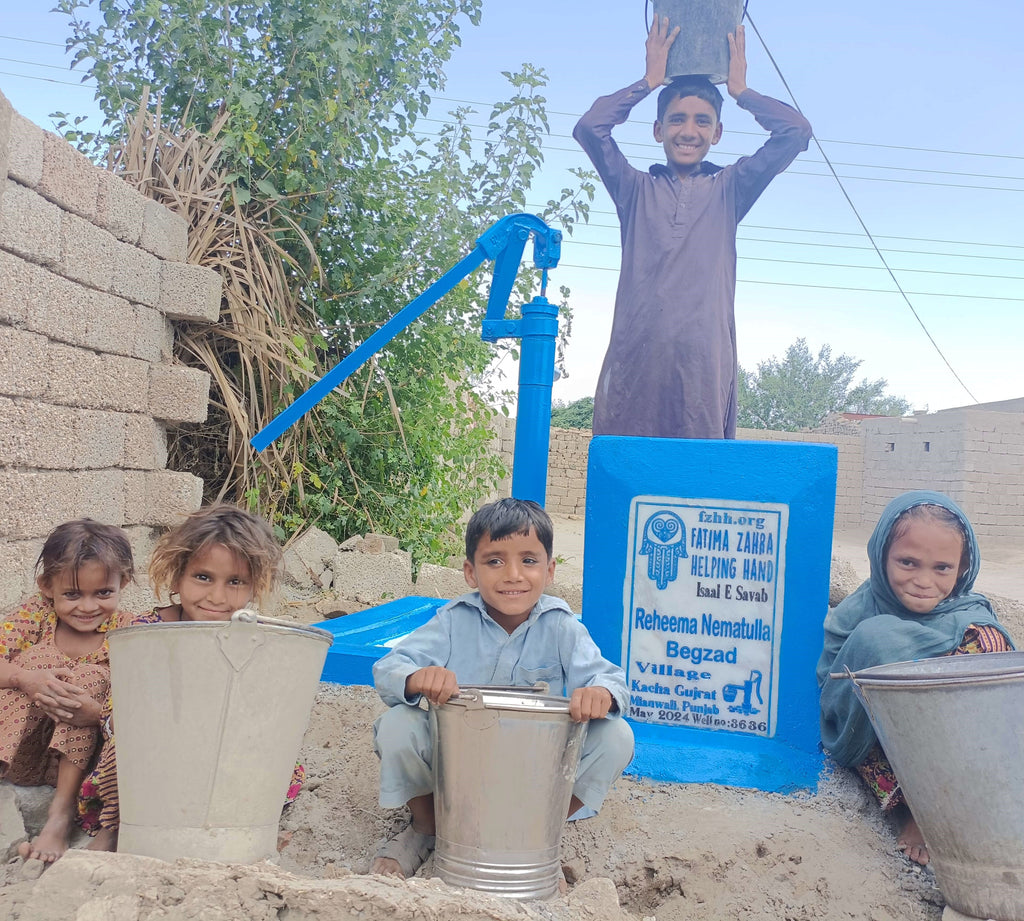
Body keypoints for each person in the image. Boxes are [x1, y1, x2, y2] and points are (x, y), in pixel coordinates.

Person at [369, 498, 634, 879]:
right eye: (494, 561)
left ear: (550, 570)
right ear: (470, 572)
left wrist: (600, 695)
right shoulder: (452, 622)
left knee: (616, 737)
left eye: (528, 560)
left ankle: (537, 839)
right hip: (458, 771)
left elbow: (610, 680)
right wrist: (417, 678)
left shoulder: (562, 627)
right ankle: (427, 828)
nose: (512, 574)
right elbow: (388, 667)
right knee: (397, 726)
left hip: (534, 773)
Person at [573, 18, 812, 439]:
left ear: (717, 133)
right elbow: (590, 128)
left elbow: (795, 132)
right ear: (658, 130)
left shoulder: (730, 189)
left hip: (703, 370)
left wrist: (741, 93)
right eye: (677, 119)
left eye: (702, 121)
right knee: (626, 474)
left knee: (696, 483)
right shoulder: (634, 190)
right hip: (636, 365)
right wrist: (649, 81)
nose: (689, 131)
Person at [76, 503, 294, 852]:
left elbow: (267, 713)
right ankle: (116, 828)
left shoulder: (255, 638)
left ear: (255, 587)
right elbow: (121, 712)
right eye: (203, 577)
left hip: (223, 748)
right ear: (178, 576)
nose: (217, 597)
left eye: (235, 582)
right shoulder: (147, 632)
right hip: (155, 751)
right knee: (131, 739)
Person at [817, 490, 1015, 867]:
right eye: (908, 562)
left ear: (962, 568)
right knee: (875, 638)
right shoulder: (858, 612)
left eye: (942, 568)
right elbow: (833, 686)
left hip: (957, 742)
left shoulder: (966, 612)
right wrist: (882, 659)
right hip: (886, 741)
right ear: (880, 556)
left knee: (990, 642)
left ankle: (961, 797)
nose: (924, 581)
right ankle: (921, 812)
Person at [0, 519, 136, 863]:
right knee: (35, 663)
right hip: (22, 755)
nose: (88, 607)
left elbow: (144, 701)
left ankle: (59, 817)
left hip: (84, 762)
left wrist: (94, 710)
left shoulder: (129, 630)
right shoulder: (37, 615)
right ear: (47, 585)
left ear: (125, 582)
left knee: (89, 679)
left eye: (103, 593)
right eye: (72, 594)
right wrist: (24, 678)